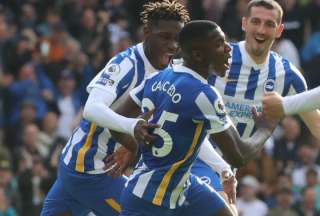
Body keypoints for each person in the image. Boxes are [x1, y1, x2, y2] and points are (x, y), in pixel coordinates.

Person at [40, 1, 190, 215]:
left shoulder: (170, 71)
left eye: (177, 39)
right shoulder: (126, 65)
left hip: (87, 167)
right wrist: (132, 128)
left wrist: (130, 145)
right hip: (90, 169)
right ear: (147, 32)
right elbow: (91, 109)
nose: (173, 45)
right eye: (165, 37)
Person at [114, 20, 276, 216]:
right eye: (219, 44)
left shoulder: (159, 76)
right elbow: (239, 156)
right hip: (147, 202)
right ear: (198, 55)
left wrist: (133, 144)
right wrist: (266, 129)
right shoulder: (203, 94)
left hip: (181, 185)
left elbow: (115, 118)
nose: (228, 49)